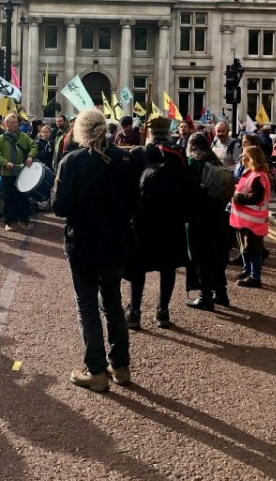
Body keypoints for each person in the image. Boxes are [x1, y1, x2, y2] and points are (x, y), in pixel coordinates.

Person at [54, 108, 137, 393]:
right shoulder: (126, 160)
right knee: (113, 303)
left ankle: (96, 370)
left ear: (81, 132)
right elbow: (134, 203)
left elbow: (61, 207)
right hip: (116, 243)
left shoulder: (72, 161)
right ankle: (121, 366)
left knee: (87, 306)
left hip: (84, 244)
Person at [127, 116, 190, 329]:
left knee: (139, 267)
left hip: (143, 218)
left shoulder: (138, 153)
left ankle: (134, 312)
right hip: (170, 218)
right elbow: (185, 183)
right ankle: (163, 311)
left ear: (150, 131)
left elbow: (130, 186)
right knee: (168, 266)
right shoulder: (177, 152)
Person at [185, 132, 230, 309]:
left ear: (192, 145)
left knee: (201, 257)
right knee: (217, 255)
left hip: (198, 217)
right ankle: (221, 294)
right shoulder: (215, 161)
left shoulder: (193, 163)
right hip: (219, 215)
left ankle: (205, 297)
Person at [230, 146, 272, 288]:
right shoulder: (251, 173)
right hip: (245, 220)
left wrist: (237, 197)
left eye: (244, 156)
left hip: (252, 221)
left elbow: (255, 198)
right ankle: (247, 270)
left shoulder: (257, 176)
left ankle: (255, 277)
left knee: (253, 249)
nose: (242, 158)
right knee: (245, 248)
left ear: (251, 158)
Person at [0, 113, 38, 231]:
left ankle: (24, 220)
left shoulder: (23, 136)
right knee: (8, 198)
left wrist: (30, 157)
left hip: (22, 172)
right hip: (7, 173)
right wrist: (5, 162)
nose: (16, 124)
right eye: (13, 122)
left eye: (16, 122)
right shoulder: (1, 139)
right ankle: (9, 222)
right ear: (6, 124)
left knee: (23, 197)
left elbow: (33, 146)